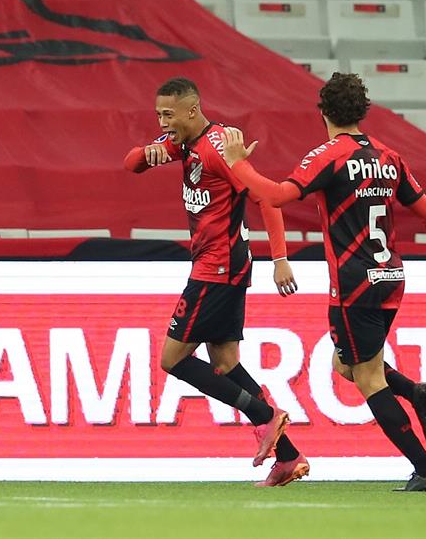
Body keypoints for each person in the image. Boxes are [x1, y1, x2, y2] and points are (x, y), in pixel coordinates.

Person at [221, 73, 426, 492]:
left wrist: (237, 162)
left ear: (323, 112)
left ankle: (425, 470)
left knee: (367, 379)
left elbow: (274, 195)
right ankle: (417, 394)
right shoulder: (389, 157)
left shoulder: (328, 155)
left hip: (353, 284)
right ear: (363, 111)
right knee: (345, 366)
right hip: (392, 278)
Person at [124, 77, 309, 487]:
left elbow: (267, 197)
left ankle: (265, 416)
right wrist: (148, 152)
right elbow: (130, 164)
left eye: (167, 115)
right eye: (158, 115)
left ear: (192, 111)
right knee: (225, 364)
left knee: (171, 359)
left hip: (217, 268)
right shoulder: (183, 141)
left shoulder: (217, 148)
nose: (162, 122)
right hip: (223, 265)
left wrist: (281, 259)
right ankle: (288, 458)